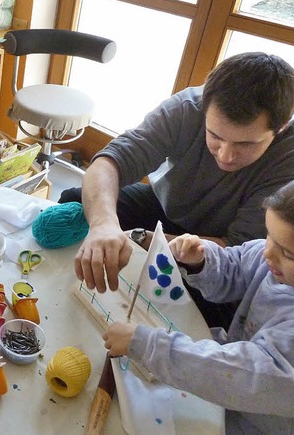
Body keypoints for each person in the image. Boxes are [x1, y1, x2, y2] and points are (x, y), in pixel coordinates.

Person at [65, 52, 294, 322]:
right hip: (166, 209)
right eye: (215, 136)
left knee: (200, 313)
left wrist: (140, 238)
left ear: (279, 129)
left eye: (246, 144)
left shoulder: (288, 158)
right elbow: (109, 163)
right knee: (76, 202)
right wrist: (104, 225)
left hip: (223, 250)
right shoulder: (187, 107)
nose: (225, 155)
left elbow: (239, 251)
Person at [102, 180, 294, 434]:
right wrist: (202, 260)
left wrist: (148, 346)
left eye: (288, 254)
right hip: (221, 388)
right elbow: (236, 265)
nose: (268, 253)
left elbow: (250, 376)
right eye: (269, 235)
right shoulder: (271, 259)